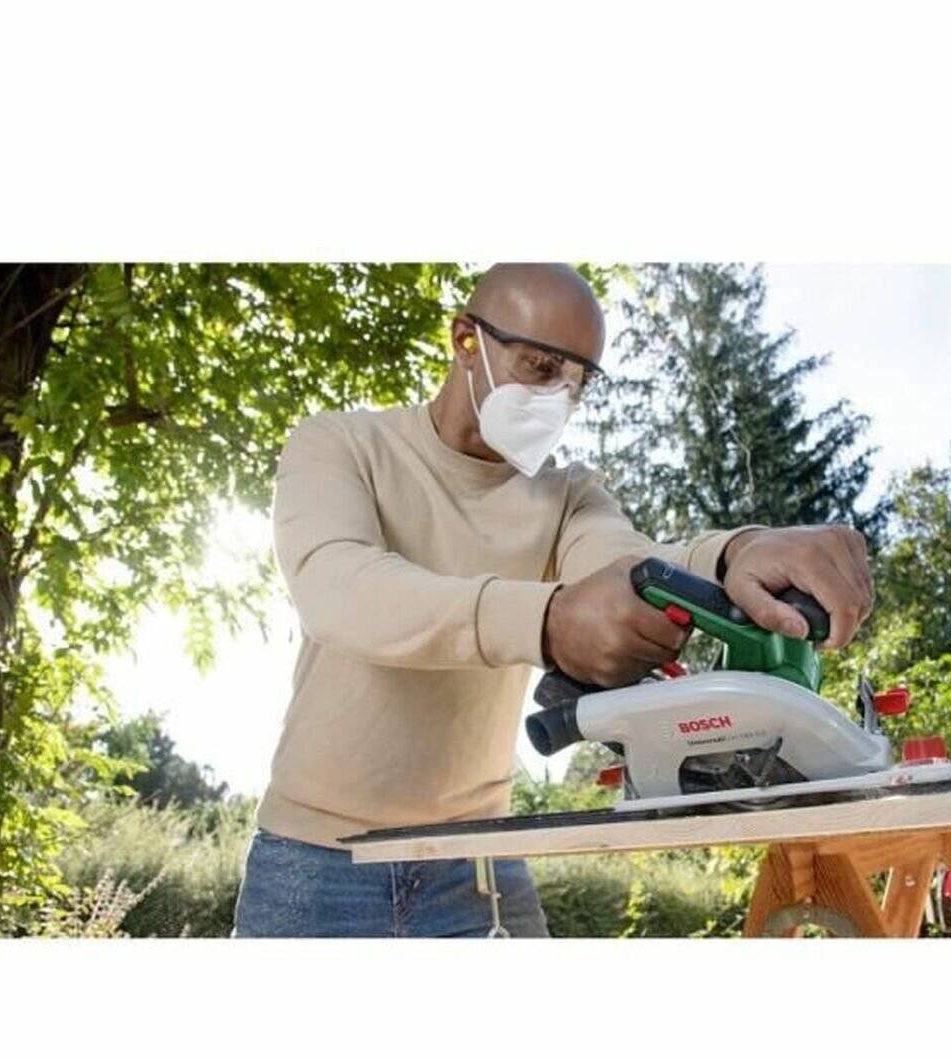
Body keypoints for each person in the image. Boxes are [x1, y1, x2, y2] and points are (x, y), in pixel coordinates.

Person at [232, 263, 874, 937]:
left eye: (578, 383)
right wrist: (548, 621)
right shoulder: (341, 445)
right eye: (540, 367)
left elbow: (629, 569)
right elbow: (340, 589)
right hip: (313, 859)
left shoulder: (568, 494)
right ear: (465, 341)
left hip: (477, 859)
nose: (558, 398)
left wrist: (737, 553)